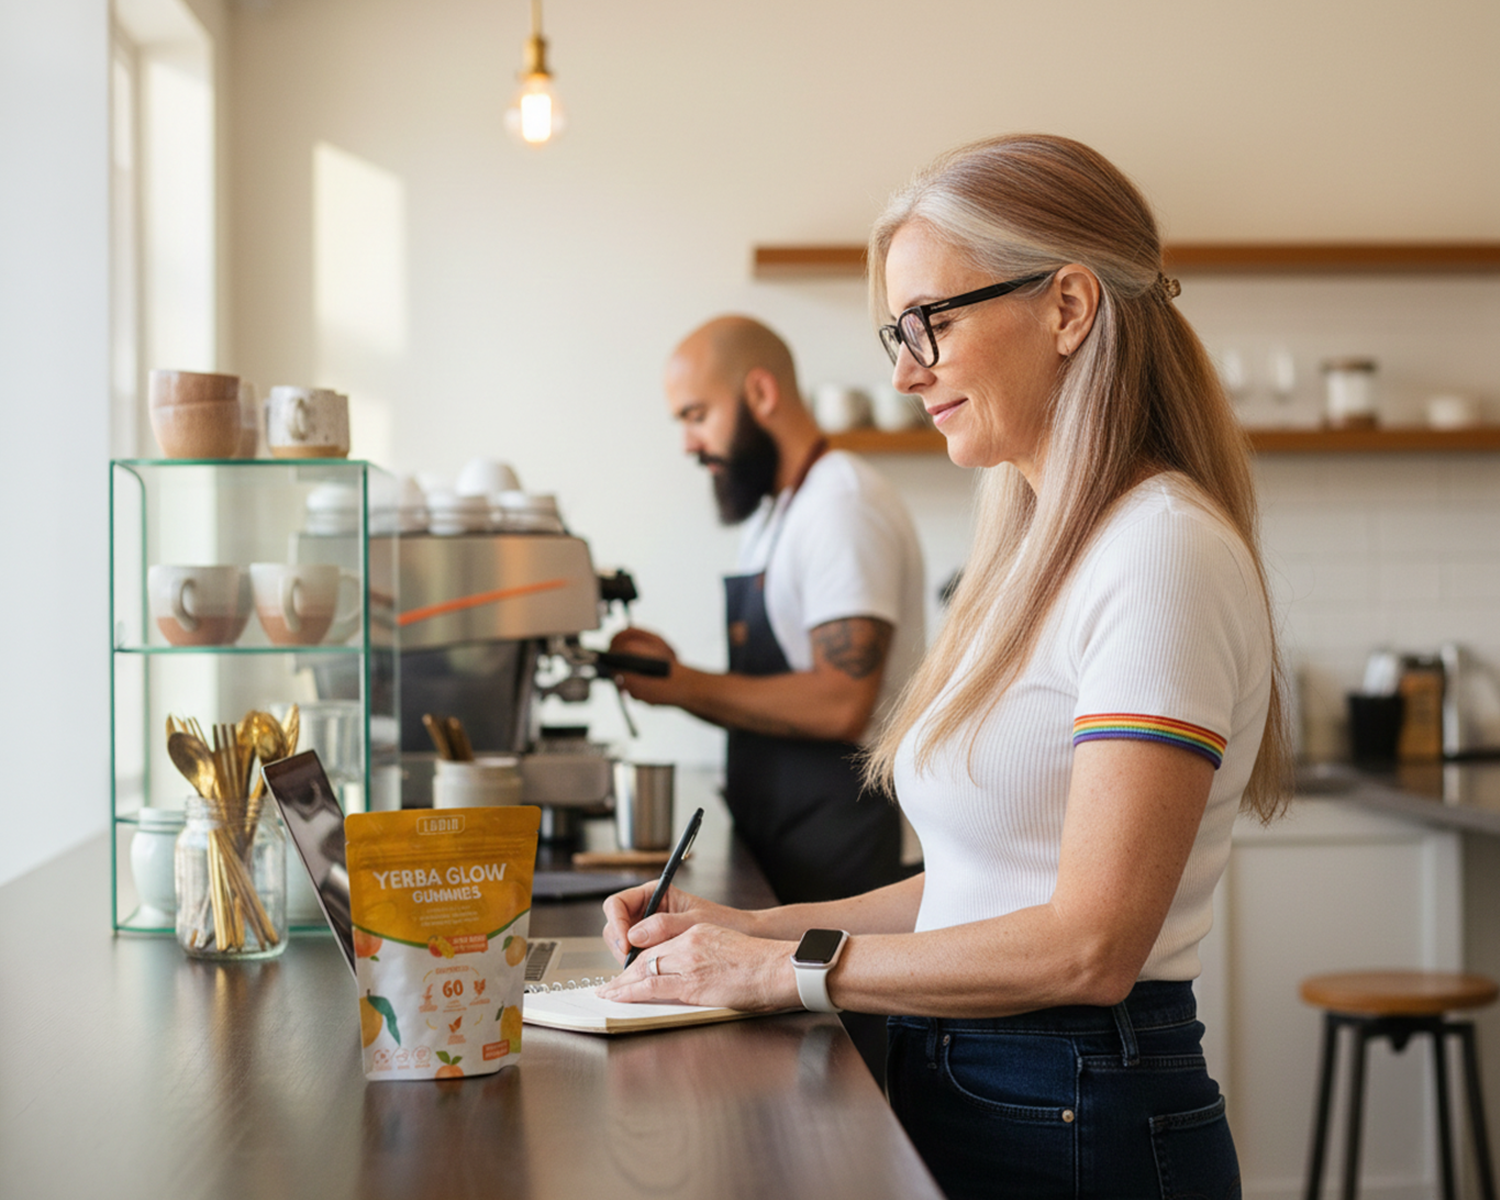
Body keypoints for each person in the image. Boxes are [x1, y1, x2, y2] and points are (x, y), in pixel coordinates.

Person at [597, 134, 1291, 1200]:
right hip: (987, 1076)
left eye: (931, 321)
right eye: (896, 330)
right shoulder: (1036, 553)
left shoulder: (1160, 549)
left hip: (1075, 1100)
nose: (904, 369)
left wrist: (781, 974)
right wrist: (739, 928)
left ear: (1068, 309)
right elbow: (974, 893)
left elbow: (1091, 945)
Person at [609, 315, 927, 908]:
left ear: (760, 393)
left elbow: (841, 703)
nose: (687, 444)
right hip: (796, 839)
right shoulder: (780, 512)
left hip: (852, 852)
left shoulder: (841, 505)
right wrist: (675, 677)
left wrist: (681, 685)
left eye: (696, 415)